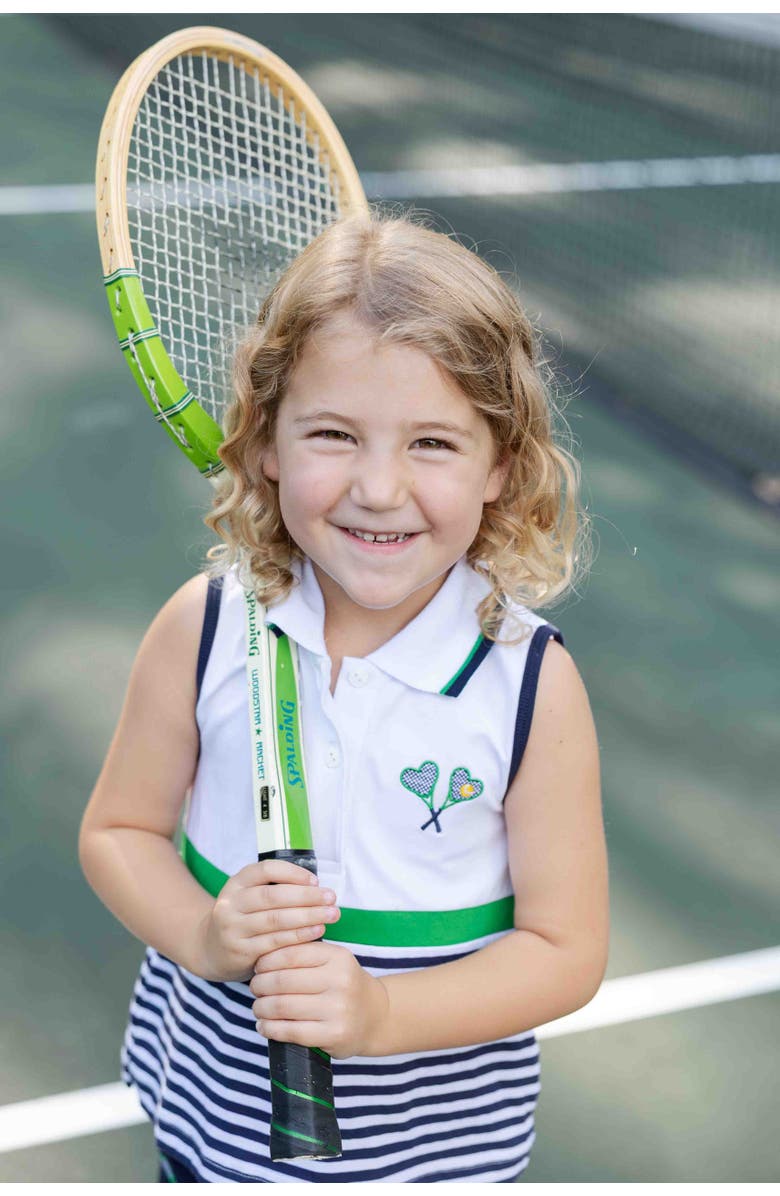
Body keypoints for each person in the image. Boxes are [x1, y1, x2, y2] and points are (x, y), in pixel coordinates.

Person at [79, 209, 609, 1183]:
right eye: (333, 433)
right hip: (216, 1137)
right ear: (267, 439)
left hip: (435, 1160)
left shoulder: (530, 682)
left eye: (432, 445)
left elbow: (564, 948)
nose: (377, 486)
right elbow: (118, 830)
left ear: (501, 463)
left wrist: (381, 1016)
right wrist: (204, 931)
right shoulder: (201, 629)